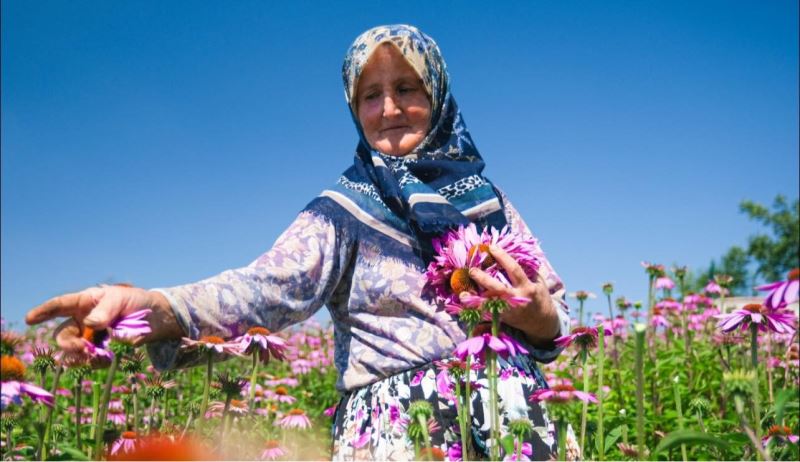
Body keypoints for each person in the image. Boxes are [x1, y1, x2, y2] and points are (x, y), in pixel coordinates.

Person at [26, 24, 576, 460]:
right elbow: (263, 290)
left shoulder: (487, 200)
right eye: (370, 95)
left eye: (406, 88)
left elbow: (558, 315)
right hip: (405, 430)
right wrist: (150, 306)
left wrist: (540, 315)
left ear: (437, 94)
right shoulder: (344, 210)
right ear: (353, 108)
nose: (388, 109)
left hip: (516, 421)